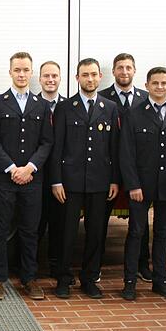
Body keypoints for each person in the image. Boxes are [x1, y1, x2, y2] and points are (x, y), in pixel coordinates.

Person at [119, 67, 166, 301]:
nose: (160, 87)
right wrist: (132, 185)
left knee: (163, 233)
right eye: (155, 83)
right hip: (141, 186)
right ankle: (130, 282)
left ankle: (160, 281)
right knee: (136, 232)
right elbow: (126, 153)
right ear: (147, 85)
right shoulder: (134, 113)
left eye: (164, 83)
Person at [0, 52, 53, 301]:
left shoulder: (41, 105)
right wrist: (12, 168)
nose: (22, 74)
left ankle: (29, 278)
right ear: (10, 72)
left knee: (29, 230)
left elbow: (47, 142)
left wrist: (30, 167)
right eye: (17, 70)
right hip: (4, 180)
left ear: (31, 72)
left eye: (26, 70)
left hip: (33, 180)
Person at [49, 58, 119, 300]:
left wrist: (114, 180)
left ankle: (90, 278)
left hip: (100, 181)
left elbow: (114, 148)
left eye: (93, 74)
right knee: (67, 232)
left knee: (96, 232)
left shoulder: (110, 108)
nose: (90, 79)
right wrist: (56, 181)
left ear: (100, 77)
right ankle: (64, 278)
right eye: (84, 75)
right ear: (77, 78)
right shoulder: (65, 108)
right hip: (70, 182)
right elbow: (56, 147)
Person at [98, 53, 152, 283]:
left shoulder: (146, 98)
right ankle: (96, 264)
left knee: (140, 223)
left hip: (137, 172)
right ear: (113, 71)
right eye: (120, 68)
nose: (124, 72)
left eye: (128, 67)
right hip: (108, 169)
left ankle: (142, 264)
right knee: (99, 220)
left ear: (134, 70)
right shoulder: (101, 97)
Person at [36, 60, 66, 280]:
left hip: (61, 179)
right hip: (35, 175)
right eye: (46, 76)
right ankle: (31, 267)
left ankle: (57, 266)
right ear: (39, 79)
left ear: (60, 79)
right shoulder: (31, 104)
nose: (50, 80)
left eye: (54, 76)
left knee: (59, 224)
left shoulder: (68, 107)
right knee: (33, 225)